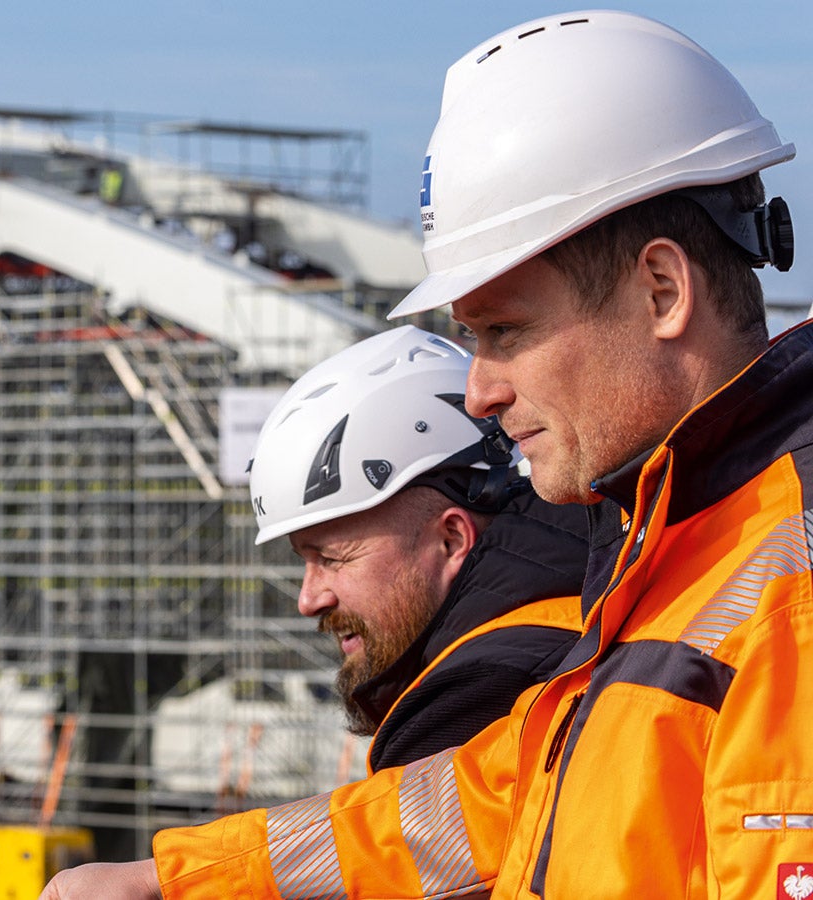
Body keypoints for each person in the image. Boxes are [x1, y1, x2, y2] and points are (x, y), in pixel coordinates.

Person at [41, 10, 810, 899]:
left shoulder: (787, 594)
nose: (479, 389)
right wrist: (176, 880)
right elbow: (490, 802)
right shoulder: (686, 547)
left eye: (505, 331)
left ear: (662, 289)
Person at [246, 324, 586, 771]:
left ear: (451, 541)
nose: (309, 600)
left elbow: (387, 838)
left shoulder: (480, 697)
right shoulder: (579, 591)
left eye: (331, 558)